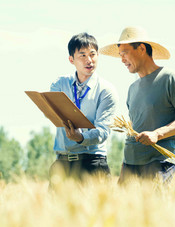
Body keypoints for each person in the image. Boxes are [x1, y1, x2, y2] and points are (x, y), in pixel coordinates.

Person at [99, 26, 175, 184]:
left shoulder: (169, 78)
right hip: (131, 165)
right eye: (120, 55)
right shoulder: (132, 89)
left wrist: (157, 134)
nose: (122, 60)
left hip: (160, 163)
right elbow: (135, 127)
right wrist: (124, 170)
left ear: (141, 48)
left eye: (125, 53)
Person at [49, 32, 118, 187]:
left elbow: (103, 131)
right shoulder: (59, 85)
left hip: (92, 163)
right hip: (62, 163)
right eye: (82, 55)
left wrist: (81, 137)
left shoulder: (106, 90)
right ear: (71, 59)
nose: (89, 60)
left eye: (93, 54)